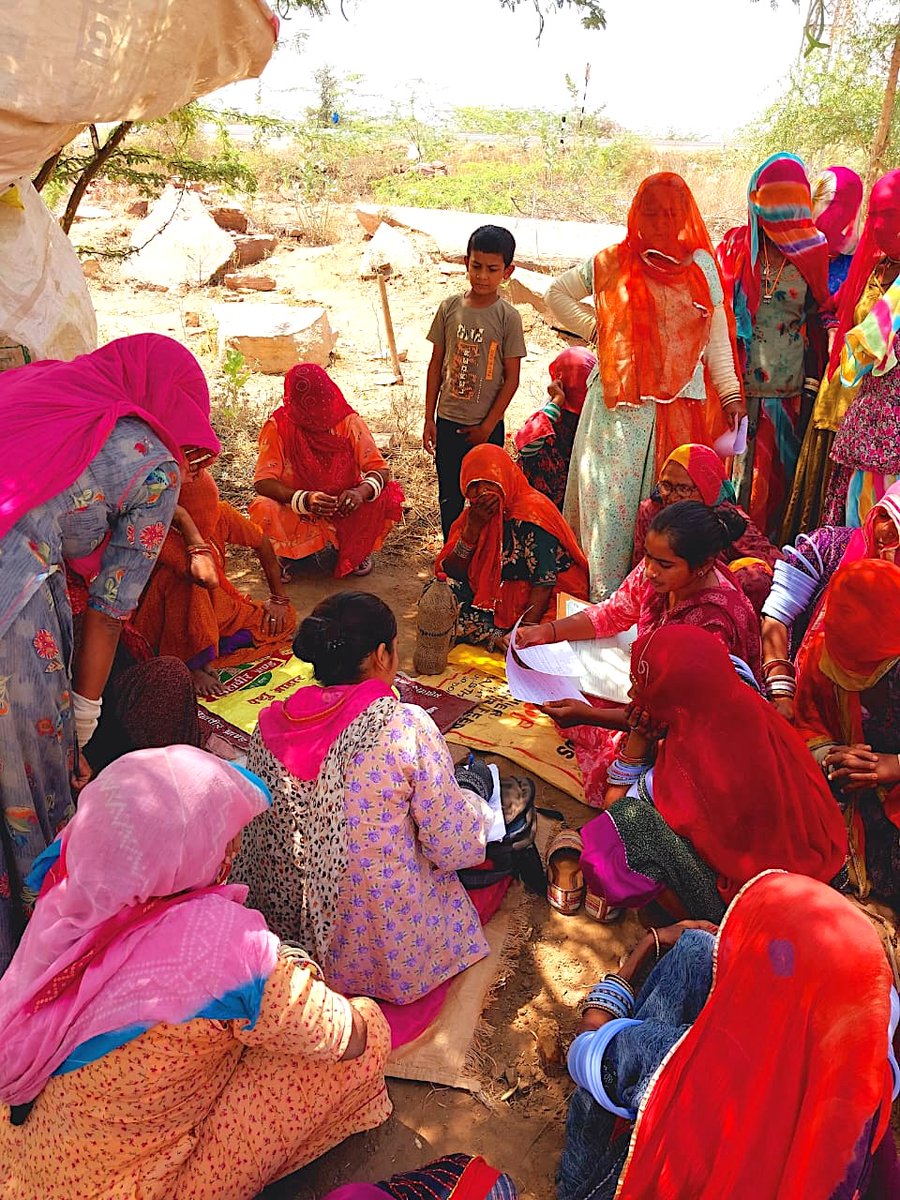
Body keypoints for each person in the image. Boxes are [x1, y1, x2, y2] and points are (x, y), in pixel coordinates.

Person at [0, 746, 391, 1199]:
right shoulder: (220, 948)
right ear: (187, 853)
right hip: (135, 1186)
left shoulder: (72, 892)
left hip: (28, 1164)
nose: (235, 845)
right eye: (222, 834)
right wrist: (299, 969)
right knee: (367, 1032)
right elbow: (343, 1034)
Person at [0, 333, 221, 975]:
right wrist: (78, 727)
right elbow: (107, 611)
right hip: (11, 607)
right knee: (33, 798)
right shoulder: (151, 464)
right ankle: (48, 964)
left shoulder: (38, 386)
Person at [557, 871, 900, 1200]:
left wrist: (646, 947)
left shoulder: (690, 1065)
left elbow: (583, 1049)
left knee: (693, 952)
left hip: (667, 1147)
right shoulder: (867, 1079)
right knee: (700, 951)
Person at [231, 592, 495, 1006]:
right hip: (383, 952)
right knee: (476, 789)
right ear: (381, 655)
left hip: (289, 943)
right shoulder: (404, 727)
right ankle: (477, 787)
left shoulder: (268, 728)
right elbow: (454, 846)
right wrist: (477, 813)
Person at [545, 172, 744, 598]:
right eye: (650, 212)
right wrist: (599, 329)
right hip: (619, 415)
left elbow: (717, 334)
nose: (659, 221)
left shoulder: (701, 266)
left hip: (679, 411)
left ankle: (660, 605)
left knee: (671, 515)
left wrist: (729, 392)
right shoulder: (612, 261)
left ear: (683, 216)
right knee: (611, 519)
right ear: (637, 214)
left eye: (670, 213)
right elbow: (556, 294)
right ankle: (605, 603)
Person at [577, 626, 848, 922]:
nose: (631, 694)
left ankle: (706, 930)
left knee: (624, 828)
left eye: (641, 686)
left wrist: (637, 740)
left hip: (749, 906)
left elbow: (614, 807)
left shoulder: (691, 765)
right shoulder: (744, 701)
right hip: (806, 874)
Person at [517, 500, 761, 805]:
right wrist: (546, 632)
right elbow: (613, 613)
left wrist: (587, 714)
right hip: (645, 701)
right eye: (647, 557)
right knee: (555, 680)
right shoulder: (659, 574)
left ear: (702, 566)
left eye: (664, 564)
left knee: (616, 779)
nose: (650, 571)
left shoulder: (713, 624)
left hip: (691, 734)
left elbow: (678, 718)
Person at [717, 152, 831, 538]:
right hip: (734, 389)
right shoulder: (735, 246)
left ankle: (764, 559)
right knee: (730, 477)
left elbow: (820, 321)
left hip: (785, 394)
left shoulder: (815, 252)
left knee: (771, 486)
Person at [785, 168, 900, 536]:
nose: (878, 225)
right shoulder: (877, 268)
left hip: (889, 427)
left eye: (889, 215)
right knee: (847, 506)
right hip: (855, 410)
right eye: (875, 215)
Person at [132, 463, 296, 698]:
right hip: (167, 622)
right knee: (186, 582)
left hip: (217, 610)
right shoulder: (162, 533)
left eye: (210, 511)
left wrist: (279, 599)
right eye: (193, 515)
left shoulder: (221, 514)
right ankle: (191, 663)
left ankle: (211, 648)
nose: (209, 519)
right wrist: (186, 524)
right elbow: (204, 576)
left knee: (285, 619)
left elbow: (262, 543)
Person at [794, 559, 900, 905]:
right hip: (847, 789)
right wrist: (834, 759)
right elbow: (808, 725)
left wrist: (893, 765)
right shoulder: (822, 656)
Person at [760, 480, 900, 719]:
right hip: (792, 695)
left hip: (874, 726)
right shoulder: (827, 546)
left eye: (898, 525)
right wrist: (781, 691)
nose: (885, 531)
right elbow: (776, 614)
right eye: (883, 515)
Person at [250, 363, 404, 580]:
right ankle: (285, 553)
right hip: (298, 507)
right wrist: (304, 499)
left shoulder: (348, 421)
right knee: (263, 507)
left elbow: (379, 469)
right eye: (307, 405)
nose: (314, 412)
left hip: (345, 505)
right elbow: (263, 481)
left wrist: (359, 493)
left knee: (383, 497)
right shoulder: (279, 426)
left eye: (319, 402)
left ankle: (356, 551)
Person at [423, 224, 527, 540]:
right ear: (465, 262)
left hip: (486, 426)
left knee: (485, 498)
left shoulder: (508, 318)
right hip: (448, 421)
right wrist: (429, 418)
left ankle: (482, 558)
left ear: (507, 271)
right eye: (476, 266)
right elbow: (435, 364)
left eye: (492, 269)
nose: (482, 275)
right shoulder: (449, 308)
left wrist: (487, 426)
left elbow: (512, 379)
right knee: (449, 497)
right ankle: (450, 556)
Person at [436, 444, 590, 649]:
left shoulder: (531, 514)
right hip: (502, 600)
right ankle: (500, 638)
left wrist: (526, 630)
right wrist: (471, 531)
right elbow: (452, 571)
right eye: (474, 485)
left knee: (553, 633)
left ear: (504, 479)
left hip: (544, 600)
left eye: (489, 482)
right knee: (438, 596)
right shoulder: (474, 516)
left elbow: (544, 582)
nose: (482, 492)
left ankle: (506, 639)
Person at [631, 442, 781, 615]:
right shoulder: (651, 510)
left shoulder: (726, 516)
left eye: (683, 488)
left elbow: (773, 560)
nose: (672, 497)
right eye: (666, 486)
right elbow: (641, 566)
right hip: (664, 589)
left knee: (755, 578)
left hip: (714, 595)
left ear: (706, 487)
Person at [514, 347, 596, 510]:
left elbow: (525, 445)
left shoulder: (551, 417)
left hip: (535, 508)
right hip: (565, 509)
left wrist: (557, 400)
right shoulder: (591, 419)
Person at [811, 164, 864, 297]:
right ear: (813, 201)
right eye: (831, 203)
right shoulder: (789, 247)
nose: (839, 213)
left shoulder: (855, 260)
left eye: (848, 206)